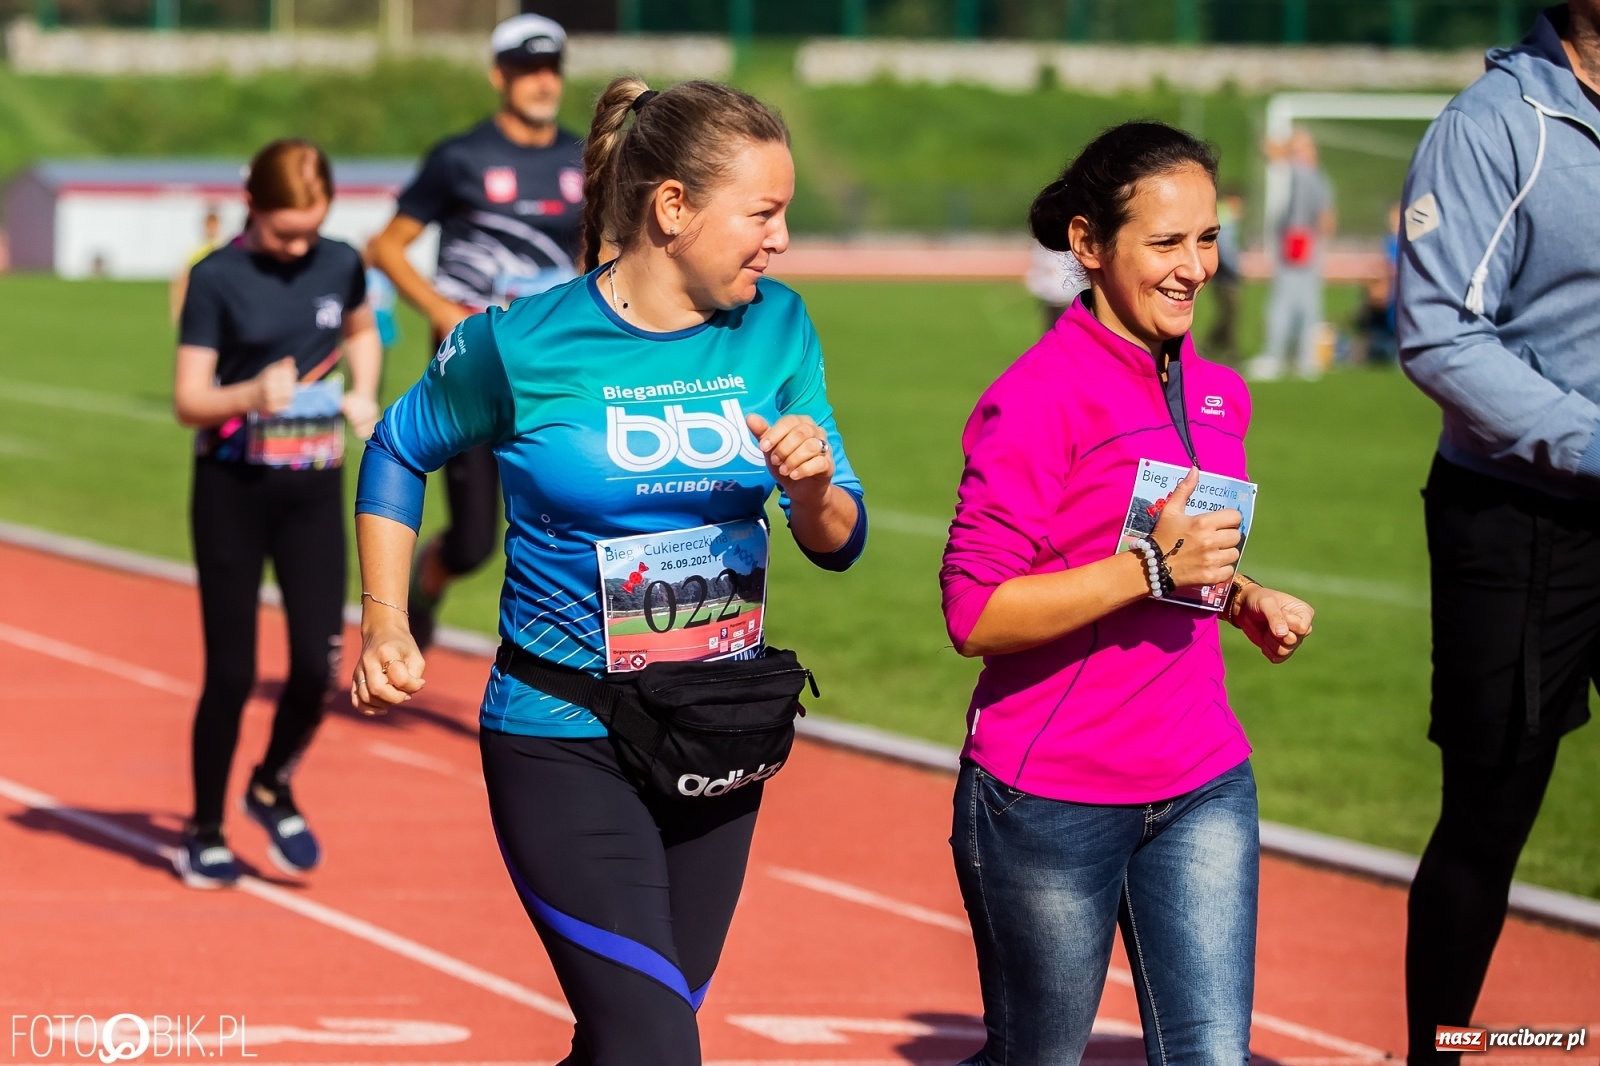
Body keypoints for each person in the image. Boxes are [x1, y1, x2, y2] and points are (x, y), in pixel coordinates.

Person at [350, 78, 866, 1064]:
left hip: (716, 732)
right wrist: (385, 620)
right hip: (564, 731)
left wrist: (806, 488)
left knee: (628, 1039)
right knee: (655, 1044)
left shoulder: (779, 327)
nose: (783, 240)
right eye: (762, 213)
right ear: (672, 209)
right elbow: (397, 448)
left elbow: (839, 538)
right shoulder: (522, 343)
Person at [940, 122, 1314, 1066]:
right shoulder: (1034, 398)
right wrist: (1152, 568)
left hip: (1204, 779)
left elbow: (1182, 554)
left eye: (1207, 240)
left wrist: (1242, 595)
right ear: (1088, 244)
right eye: (1166, 242)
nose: (1194, 268)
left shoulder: (1220, 392)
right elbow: (974, 613)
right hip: (1050, 796)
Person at [1397, 3, 1600, 1059]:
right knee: (1488, 812)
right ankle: (1444, 1051)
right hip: (1520, 523)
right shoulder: (1491, 127)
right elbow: (1435, 338)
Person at [171, 140, 383, 888]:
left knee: (314, 669)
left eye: (310, 228)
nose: (298, 246)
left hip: (314, 490)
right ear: (250, 204)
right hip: (232, 491)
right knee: (230, 673)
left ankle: (271, 782)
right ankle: (203, 830)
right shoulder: (215, 278)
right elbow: (187, 400)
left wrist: (364, 389)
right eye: (282, 230)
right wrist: (248, 396)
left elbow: (360, 330)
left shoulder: (341, 262)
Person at [367, 13, 585, 650]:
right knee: (472, 543)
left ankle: (568, 669)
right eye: (527, 71)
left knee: (573, 520)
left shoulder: (583, 158)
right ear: (500, 76)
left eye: (551, 70)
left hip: (555, 374)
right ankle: (427, 582)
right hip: (473, 376)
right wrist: (440, 308)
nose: (542, 83)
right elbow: (388, 246)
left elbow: (598, 255)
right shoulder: (460, 158)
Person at [1250, 129, 1335, 380]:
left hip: (1299, 246)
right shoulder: (1317, 178)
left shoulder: (1307, 174)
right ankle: (1304, 358)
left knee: (1286, 304)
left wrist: (1280, 146)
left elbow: (1272, 152)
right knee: (1305, 304)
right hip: (1306, 246)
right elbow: (1328, 218)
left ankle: (1277, 356)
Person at [1204, 187, 1245, 365]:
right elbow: (1225, 248)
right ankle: (1227, 351)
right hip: (1225, 274)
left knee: (1228, 314)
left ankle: (1215, 347)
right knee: (1230, 314)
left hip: (1221, 273)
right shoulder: (1225, 217)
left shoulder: (1221, 213)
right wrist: (1235, 269)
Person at [169, 205, 224, 324]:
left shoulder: (225, 248)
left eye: (213, 225)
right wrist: (176, 308)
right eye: (209, 225)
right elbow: (181, 279)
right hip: (199, 303)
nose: (211, 228)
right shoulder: (195, 251)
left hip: (221, 304)